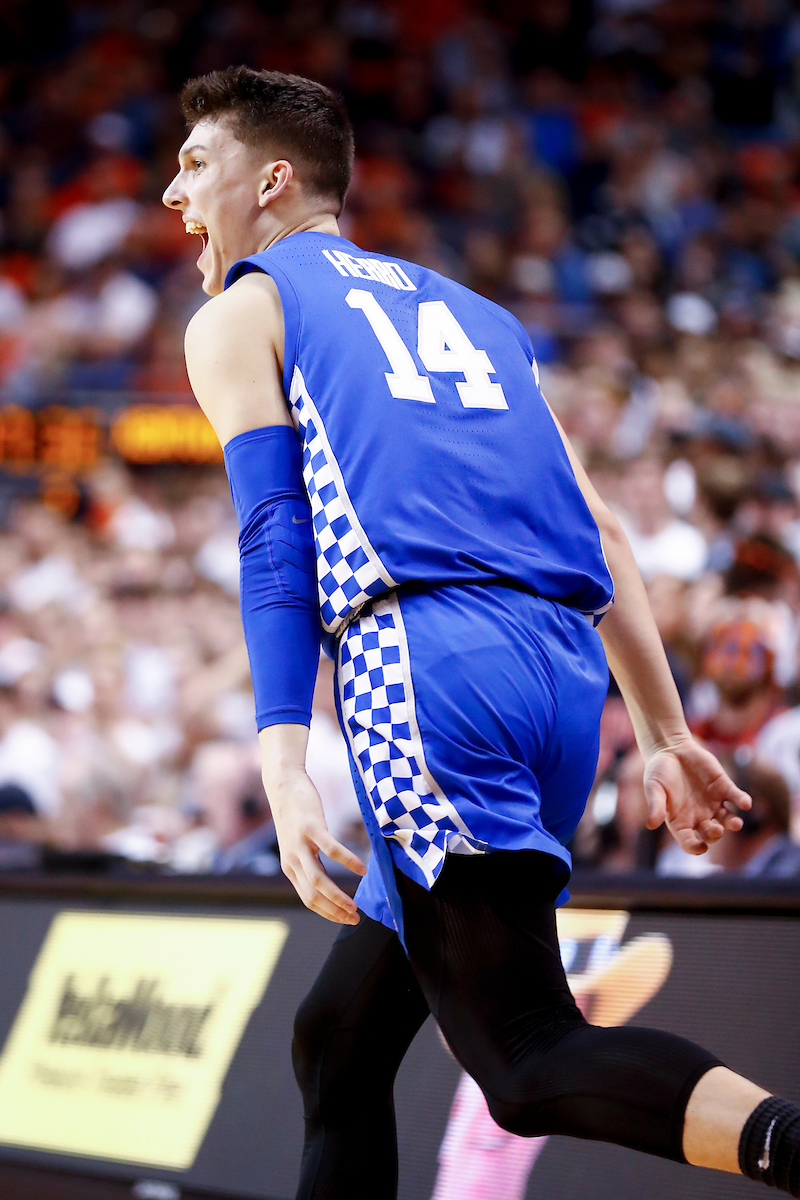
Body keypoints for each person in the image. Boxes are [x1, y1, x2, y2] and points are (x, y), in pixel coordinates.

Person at [163, 66, 800, 1200]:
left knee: (521, 1055)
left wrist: (280, 758)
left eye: (195, 165)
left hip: (427, 668)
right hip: (558, 683)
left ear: (270, 184)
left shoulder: (242, 312)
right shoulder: (478, 316)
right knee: (338, 1041)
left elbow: (274, 539)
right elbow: (597, 526)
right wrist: (659, 731)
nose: (174, 193)